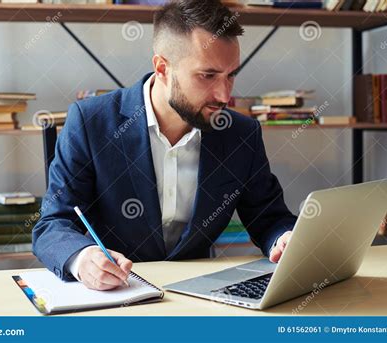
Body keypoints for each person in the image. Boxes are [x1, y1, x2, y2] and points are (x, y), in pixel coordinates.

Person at [33, 0, 296, 291]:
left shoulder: (241, 134)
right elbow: (53, 223)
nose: (224, 95)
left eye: (231, 75)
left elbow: (269, 218)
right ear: (161, 68)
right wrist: (81, 259)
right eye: (207, 75)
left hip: (200, 296)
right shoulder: (91, 122)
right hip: (116, 295)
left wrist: (284, 238)